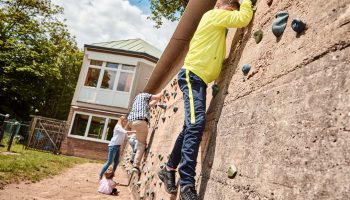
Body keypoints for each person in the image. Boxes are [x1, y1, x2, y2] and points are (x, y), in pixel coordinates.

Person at [158, 0, 253, 199]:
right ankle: (186, 184)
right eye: (230, 11)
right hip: (193, 76)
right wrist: (245, 2)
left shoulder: (216, 24)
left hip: (197, 78)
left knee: (190, 126)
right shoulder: (213, 14)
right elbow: (243, 19)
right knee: (196, 125)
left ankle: (168, 168)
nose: (229, 18)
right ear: (222, 5)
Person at [127, 92, 163, 173]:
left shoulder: (137, 101)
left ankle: (134, 160)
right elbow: (157, 96)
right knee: (141, 144)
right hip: (140, 121)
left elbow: (150, 105)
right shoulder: (143, 95)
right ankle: (135, 165)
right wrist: (162, 93)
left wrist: (157, 100)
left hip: (131, 122)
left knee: (140, 141)